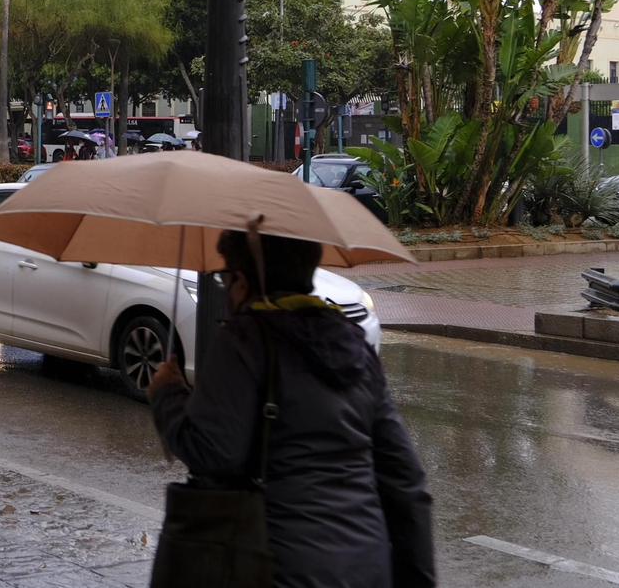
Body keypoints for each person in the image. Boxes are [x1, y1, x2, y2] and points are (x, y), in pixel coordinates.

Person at [147, 229, 434, 588]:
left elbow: (214, 452)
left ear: (242, 283)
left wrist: (168, 395)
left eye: (225, 278)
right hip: (365, 566)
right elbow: (406, 483)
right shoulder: (355, 346)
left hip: (275, 566)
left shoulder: (243, 340)